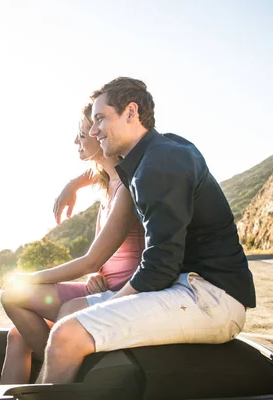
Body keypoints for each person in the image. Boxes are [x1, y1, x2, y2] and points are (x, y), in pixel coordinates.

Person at [38, 77, 256, 384]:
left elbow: (159, 266)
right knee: (70, 316)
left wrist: (111, 303)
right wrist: (76, 182)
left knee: (67, 334)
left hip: (211, 297)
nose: (93, 130)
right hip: (187, 286)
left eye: (100, 119)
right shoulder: (161, 150)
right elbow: (108, 166)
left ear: (130, 112)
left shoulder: (159, 165)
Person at [0, 103, 144, 384]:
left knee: (15, 294)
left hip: (122, 292)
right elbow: (97, 171)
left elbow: (91, 260)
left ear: (99, 135)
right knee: (17, 336)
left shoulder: (125, 187)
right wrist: (72, 185)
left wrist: (27, 279)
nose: (77, 140)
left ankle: (69, 369)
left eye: (82, 134)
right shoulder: (107, 176)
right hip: (102, 283)